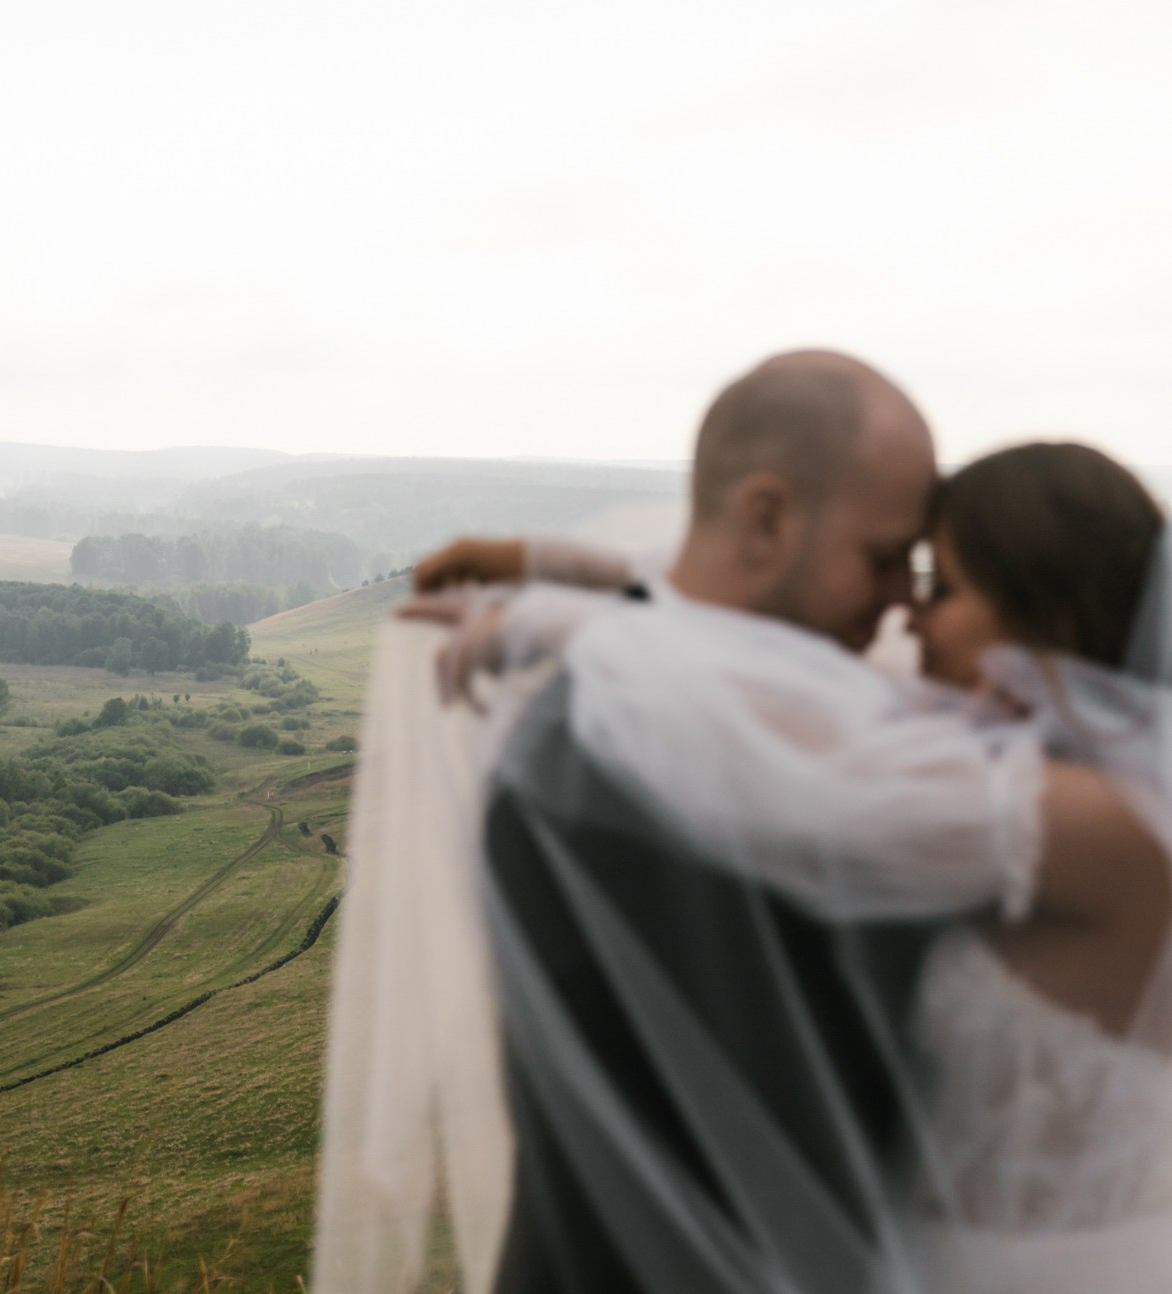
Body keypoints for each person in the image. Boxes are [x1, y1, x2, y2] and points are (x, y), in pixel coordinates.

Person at [314, 351, 1172, 1293]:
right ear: (765, 519)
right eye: (890, 562)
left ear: (1041, 621)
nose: (905, 612)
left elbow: (799, 736)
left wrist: (599, 622)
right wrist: (586, 585)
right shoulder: (611, 764)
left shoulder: (975, 778)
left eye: (932, 582)